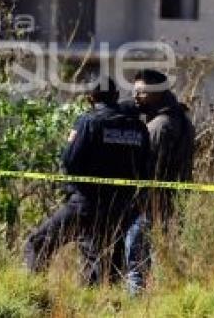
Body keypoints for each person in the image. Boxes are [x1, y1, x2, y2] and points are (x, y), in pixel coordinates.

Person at [24, 78, 152, 293]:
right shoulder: (138, 127)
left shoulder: (89, 121)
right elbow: (146, 165)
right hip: (121, 206)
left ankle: (33, 294)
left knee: (38, 242)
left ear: (90, 98)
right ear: (116, 96)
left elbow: (70, 159)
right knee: (98, 258)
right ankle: (96, 302)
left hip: (86, 203)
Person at [132, 69, 195, 223]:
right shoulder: (182, 119)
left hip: (153, 204)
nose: (136, 97)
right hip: (176, 200)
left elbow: (148, 167)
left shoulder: (159, 125)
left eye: (142, 92)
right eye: (135, 91)